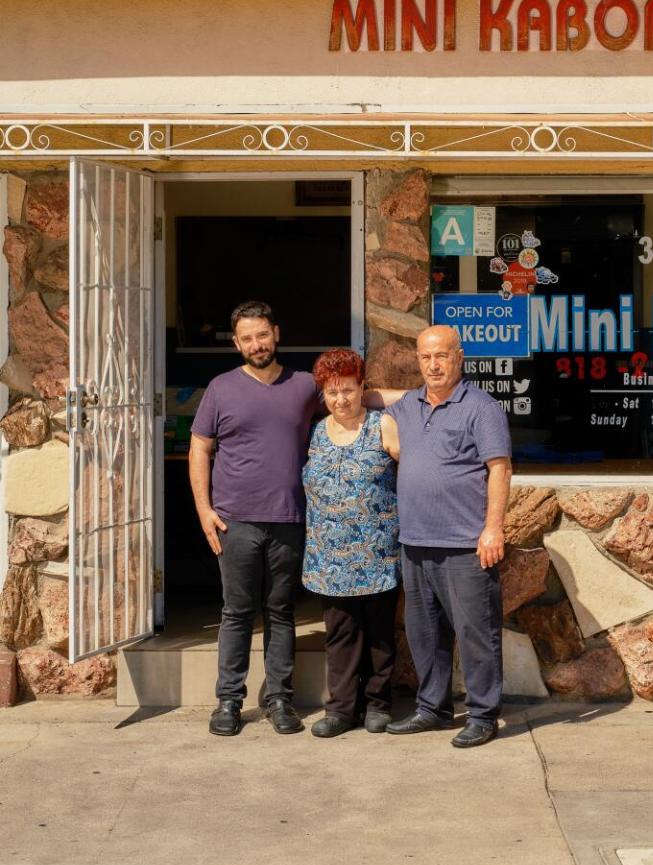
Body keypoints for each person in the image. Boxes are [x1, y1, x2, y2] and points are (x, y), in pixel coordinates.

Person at [189, 300, 317, 738]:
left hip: (289, 518)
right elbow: (200, 449)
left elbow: (353, 399)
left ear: (276, 333)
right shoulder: (220, 388)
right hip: (234, 520)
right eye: (247, 338)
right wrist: (205, 511)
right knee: (237, 612)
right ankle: (228, 700)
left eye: (262, 334)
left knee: (281, 611)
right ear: (237, 343)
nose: (256, 344)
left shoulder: (305, 385)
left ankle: (280, 698)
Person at [386, 324, 512, 748]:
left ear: (460, 357)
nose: (434, 364)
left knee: (477, 632)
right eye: (426, 357)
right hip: (415, 542)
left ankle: (482, 714)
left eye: (442, 355)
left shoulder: (481, 407)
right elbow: (372, 398)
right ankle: (433, 709)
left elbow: (500, 469)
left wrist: (493, 528)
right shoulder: (408, 404)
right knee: (424, 634)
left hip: (465, 545)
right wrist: (373, 408)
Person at [302, 348, 401, 738]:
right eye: (331, 392)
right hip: (330, 556)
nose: (340, 399)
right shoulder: (313, 431)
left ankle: (378, 703)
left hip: (377, 550)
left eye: (347, 389)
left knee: (378, 632)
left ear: (363, 388)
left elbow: (411, 474)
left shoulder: (383, 425)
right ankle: (341, 709)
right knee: (341, 633)